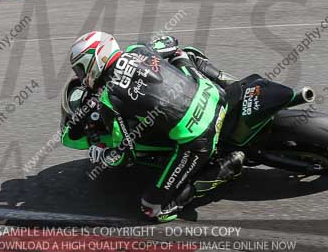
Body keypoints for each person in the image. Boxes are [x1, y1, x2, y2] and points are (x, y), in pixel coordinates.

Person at [67, 31, 245, 222]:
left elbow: (124, 155)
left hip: (200, 135)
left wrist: (101, 153)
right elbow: (171, 42)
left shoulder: (108, 100)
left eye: (80, 68)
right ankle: (230, 81)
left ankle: (223, 170)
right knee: (183, 54)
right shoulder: (138, 49)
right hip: (214, 95)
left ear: (94, 60)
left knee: (153, 209)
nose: (80, 74)